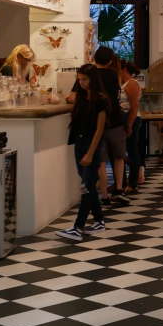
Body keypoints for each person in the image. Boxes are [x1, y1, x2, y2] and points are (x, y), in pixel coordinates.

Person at [59, 65, 110, 242]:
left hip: (92, 146)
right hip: (79, 144)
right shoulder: (80, 98)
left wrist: (90, 153)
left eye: (85, 79)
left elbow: (99, 130)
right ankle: (99, 221)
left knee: (87, 187)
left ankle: (78, 227)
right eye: (79, 79)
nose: (81, 83)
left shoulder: (101, 100)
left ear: (93, 79)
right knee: (87, 184)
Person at [92, 46, 129, 208]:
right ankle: (119, 189)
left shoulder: (90, 75)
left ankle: (104, 195)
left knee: (101, 160)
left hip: (96, 120)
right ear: (109, 61)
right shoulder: (114, 75)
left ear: (94, 59)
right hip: (115, 119)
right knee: (119, 156)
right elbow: (117, 96)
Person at [119, 60, 146, 194]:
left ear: (124, 69)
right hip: (124, 119)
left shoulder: (132, 84)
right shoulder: (122, 84)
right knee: (122, 151)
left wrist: (129, 124)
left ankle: (133, 182)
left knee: (132, 150)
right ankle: (122, 182)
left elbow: (134, 107)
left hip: (132, 119)